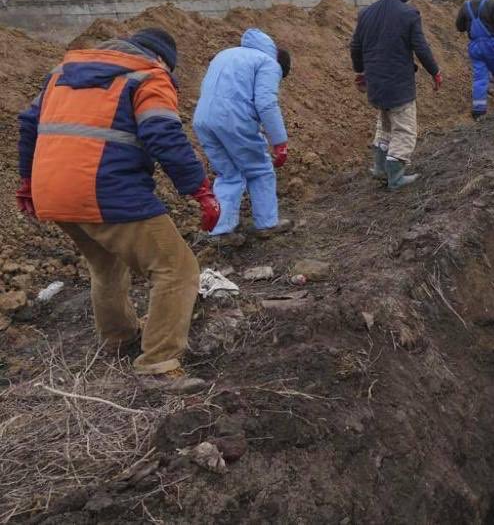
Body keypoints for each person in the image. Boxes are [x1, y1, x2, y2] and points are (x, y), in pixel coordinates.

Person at [16, 28, 220, 379]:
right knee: (177, 268)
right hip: (104, 188)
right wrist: (199, 189)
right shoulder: (148, 76)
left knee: (106, 264)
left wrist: (27, 180)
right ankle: (159, 363)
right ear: (161, 60)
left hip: (51, 189)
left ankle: (118, 338)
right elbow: (163, 134)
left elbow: (28, 124)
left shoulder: (61, 75)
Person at [193, 29, 292, 244]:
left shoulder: (225, 54)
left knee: (228, 174)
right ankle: (267, 223)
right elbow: (266, 103)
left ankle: (220, 230)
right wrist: (279, 142)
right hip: (233, 119)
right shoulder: (268, 63)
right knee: (260, 170)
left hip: (203, 119)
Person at [350, 0, 442, 190]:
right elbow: (421, 48)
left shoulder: (366, 14)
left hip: (376, 85)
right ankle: (396, 176)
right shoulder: (408, 14)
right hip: (399, 85)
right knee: (405, 129)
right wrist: (435, 72)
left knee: (385, 125)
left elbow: (355, 46)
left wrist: (360, 71)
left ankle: (380, 168)